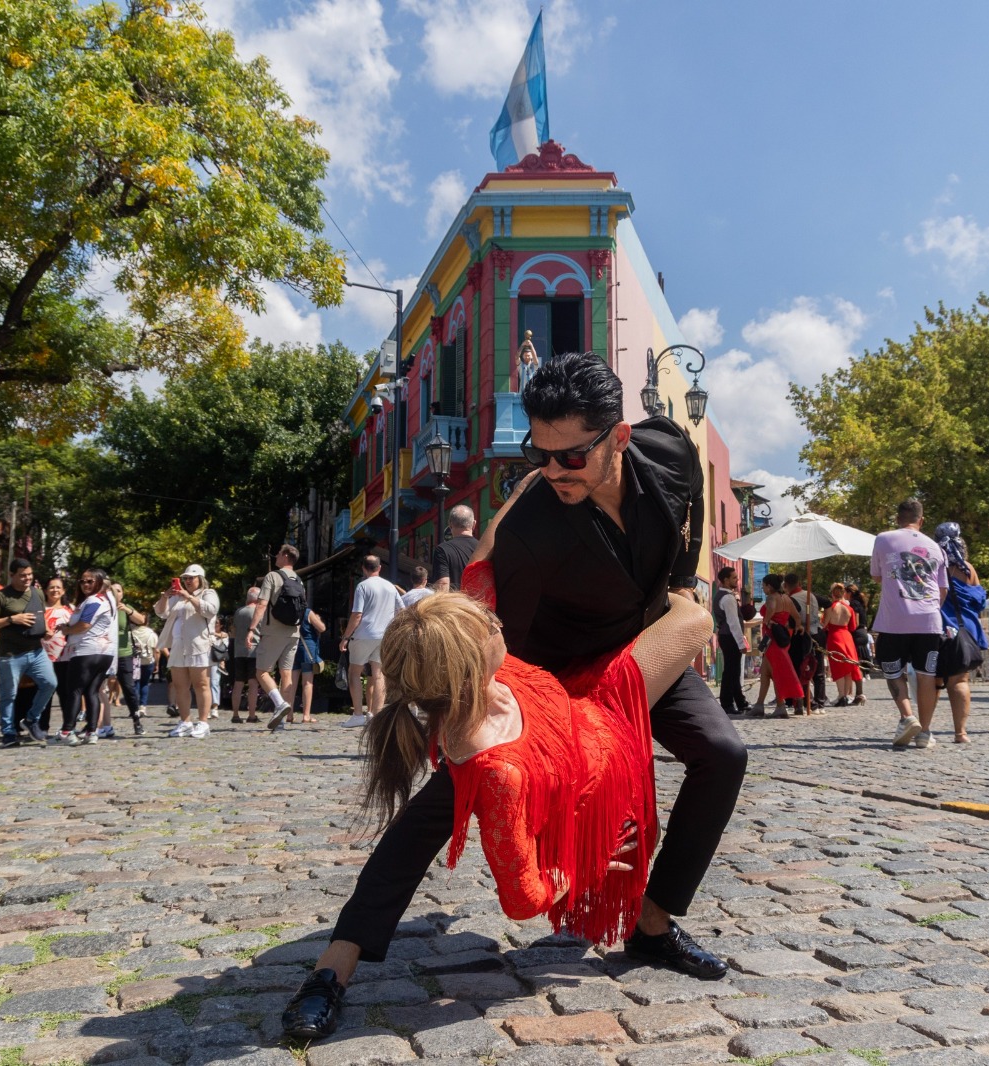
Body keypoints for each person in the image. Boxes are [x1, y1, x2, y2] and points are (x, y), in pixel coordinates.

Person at [283, 353, 742, 1041]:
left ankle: (652, 924)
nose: (553, 471)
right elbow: (502, 647)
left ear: (618, 437)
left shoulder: (670, 450)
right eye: (539, 454)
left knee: (723, 753)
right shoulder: (531, 531)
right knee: (447, 797)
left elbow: (689, 519)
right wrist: (486, 739)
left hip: (646, 646)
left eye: (571, 456)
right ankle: (334, 966)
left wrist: (680, 589)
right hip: (553, 674)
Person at [364, 585, 711, 944]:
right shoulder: (499, 769)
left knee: (687, 611)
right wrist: (582, 865)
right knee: (695, 617)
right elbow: (522, 900)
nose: (497, 622)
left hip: (592, 702)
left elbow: (480, 574)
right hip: (609, 748)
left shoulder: (486, 678)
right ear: (469, 664)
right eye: (489, 625)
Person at [871, 498, 948, 749]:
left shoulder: (883, 539)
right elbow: (942, 590)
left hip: (895, 619)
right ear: (921, 520)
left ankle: (907, 717)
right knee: (926, 675)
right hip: (929, 620)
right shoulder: (936, 547)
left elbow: (877, 576)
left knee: (893, 672)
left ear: (897, 519)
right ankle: (924, 732)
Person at [0, 559, 55, 746]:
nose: (27, 578)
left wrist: (46, 630)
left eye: (29, 574)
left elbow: (41, 617)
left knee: (50, 683)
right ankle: (8, 732)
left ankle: (31, 719)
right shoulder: (1, 596)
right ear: (11, 575)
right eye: (22, 575)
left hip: (36, 651)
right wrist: (12, 619)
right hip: (11, 655)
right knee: (9, 694)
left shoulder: (37, 593)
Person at [155, 564, 221, 739]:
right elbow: (160, 612)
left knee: (201, 684)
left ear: (200, 579)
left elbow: (211, 610)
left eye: (191, 578)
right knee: (180, 685)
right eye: (185, 578)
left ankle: (203, 722)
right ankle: (185, 722)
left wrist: (190, 597)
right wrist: (165, 596)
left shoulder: (208, 593)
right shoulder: (178, 597)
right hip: (178, 645)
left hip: (199, 644)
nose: (188, 581)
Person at [338, 555, 405, 727]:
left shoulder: (363, 586)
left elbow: (357, 614)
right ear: (379, 568)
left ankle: (358, 714)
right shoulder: (390, 586)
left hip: (364, 634)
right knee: (379, 674)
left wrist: (346, 637)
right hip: (384, 635)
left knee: (354, 672)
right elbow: (401, 610)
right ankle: (376, 714)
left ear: (363, 568)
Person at [934, 524, 985, 744]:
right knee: (960, 680)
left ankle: (925, 728)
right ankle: (960, 733)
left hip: (941, 627)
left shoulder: (935, 566)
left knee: (933, 679)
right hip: (967, 628)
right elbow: (980, 601)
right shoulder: (969, 569)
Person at [55, 569, 116, 744]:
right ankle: (92, 732)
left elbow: (84, 625)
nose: (85, 585)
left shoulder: (93, 600)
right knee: (92, 691)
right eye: (82, 581)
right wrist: (67, 626)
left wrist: (67, 630)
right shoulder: (106, 600)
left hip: (87, 651)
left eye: (90, 581)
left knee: (74, 690)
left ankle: (67, 730)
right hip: (104, 653)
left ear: (99, 582)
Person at [246, 545, 303, 730]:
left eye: (278, 554)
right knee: (286, 673)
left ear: (285, 556)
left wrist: (252, 629)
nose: (276, 556)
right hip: (294, 632)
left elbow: (261, 604)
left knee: (261, 672)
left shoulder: (272, 576)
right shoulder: (299, 579)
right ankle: (282, 722)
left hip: (273, 631)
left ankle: (280, 704)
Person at [749, 573, 802, 718]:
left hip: (772, 640)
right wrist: (796, 627)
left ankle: (780, 706)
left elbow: (771, 610)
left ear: (769, 586)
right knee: (765, 673)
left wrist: (767, 621)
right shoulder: (787, 599)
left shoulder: (771, 598)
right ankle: (760, 705)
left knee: (776, 673)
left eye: (763, 585)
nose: (762, 588)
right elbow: (797, 617)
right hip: (781, 640)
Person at [103, 582, 148, 737]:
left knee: (129, 688)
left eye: (119, 591)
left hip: (123, 653)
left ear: (122, 594)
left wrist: (128, 610)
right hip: (104, 653)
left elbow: (141, 620)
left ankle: (136, 720)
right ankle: (96, 723)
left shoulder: (125, 608)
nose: (115, 593)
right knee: (96, 687)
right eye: (112, 590)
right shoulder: (102, 606)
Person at [712, 566, 747, 715]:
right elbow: (733, 623)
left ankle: (740, 702)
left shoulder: (723, 596)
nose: (737, 580)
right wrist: (741, 643)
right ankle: (727, 703)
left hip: (726, 636)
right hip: (730, 637)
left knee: (733, 671)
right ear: (726, 580)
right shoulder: (727, 598)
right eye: (734, 578)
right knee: (731, 672)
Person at [43, 576, 75, 735]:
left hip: (66, 657)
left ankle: (68, 727)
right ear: (45, 590)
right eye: (51, 587)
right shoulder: (40, 609)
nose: (55, 590)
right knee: (44, 694)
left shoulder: (71, 610)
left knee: (65, 694)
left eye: (58, 587)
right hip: (43, 658)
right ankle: (42, 727)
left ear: (63, 591)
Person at [782, 572, 818, 715]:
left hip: (800, 635)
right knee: (812, 671)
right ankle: (813, 701)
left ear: (786, 585)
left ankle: (802, 701)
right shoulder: (810, 595)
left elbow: (794, 617)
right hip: (814, 632)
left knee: (799, 669)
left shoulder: (793, 599)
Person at [823, 583, 862, 708]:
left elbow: (824, 624)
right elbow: (853, 627)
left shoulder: (831, 607)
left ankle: (841, 695)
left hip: (835, 636)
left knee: (837, 665)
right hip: (847, 636)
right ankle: (846, 694)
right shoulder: (849, 608)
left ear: (832, 594)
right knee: (848, 666)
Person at [230, 588, 262, 724]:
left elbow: (234, 631)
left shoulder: (239, 611)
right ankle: (252, 715)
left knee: (238, 683)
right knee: (253, 683)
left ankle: (235, 715)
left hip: (239, 651)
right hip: (254, 650)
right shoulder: (259, 612)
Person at [430, 504, 479, 592]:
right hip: (482, 600)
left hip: (457, 600)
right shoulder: (483, 548)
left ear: (450, 524)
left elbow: (442, 584)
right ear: (474, 524)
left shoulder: (442, 550)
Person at [293, 606, 327, 723]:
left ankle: (289, 714)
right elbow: (322, 628)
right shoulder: (307, 612)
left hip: (293, 647)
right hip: (308, 649)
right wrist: (317, 619)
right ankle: (306, 715)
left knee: (291, 683)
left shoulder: (291, 611)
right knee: (307, 683)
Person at [846, 583, 871, 704]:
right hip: (862, 633)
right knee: (857, 664)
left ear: (849, 593)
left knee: (855, 664)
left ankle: (859, 693)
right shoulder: (860, 603)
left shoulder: (854, 603)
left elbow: (855, 619)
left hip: (857, 634)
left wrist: (850, 630)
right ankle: (858, 693)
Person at [132, 619, 159, 710]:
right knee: (145, 683)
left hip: (135, 661)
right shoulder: (152, 634)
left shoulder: (131, 633)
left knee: (135, 683)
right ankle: (142, 706)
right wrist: (157, 664)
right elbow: (157, 651)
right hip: (148, 660)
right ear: (147, 622)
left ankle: (135, 706)